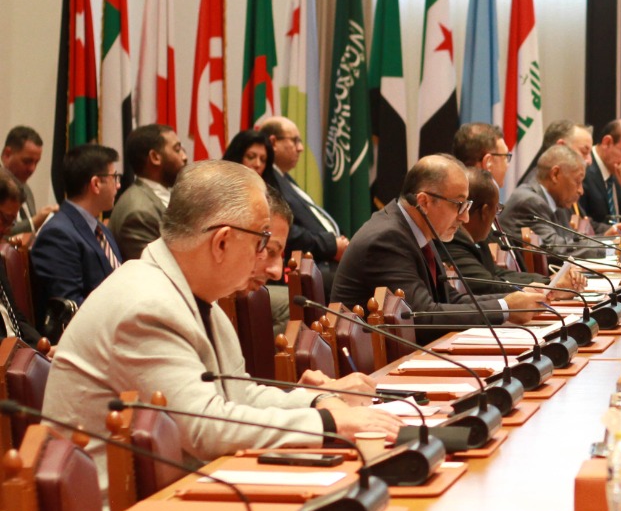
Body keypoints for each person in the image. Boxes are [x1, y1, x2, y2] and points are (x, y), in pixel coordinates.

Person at [41, 160, 400, 481]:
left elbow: (239, 395)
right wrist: (329, 423)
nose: (269, 266)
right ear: (222, 242)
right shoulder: (146, 306)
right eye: (261, 243)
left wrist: (317, 402)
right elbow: (207, 428)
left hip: (179, 488)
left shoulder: (191, 295)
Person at [330, 154, 560, 342]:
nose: (465, 218)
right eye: (459, 205)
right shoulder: (386, 240)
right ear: (424, 202)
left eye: (467, 205)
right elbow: (422, 317)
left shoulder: (417, 229)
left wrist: (516, 298)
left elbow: (449, 299)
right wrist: (505, 308)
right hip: (377, 372)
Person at [443, 167, 583, 295]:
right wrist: (552, 286)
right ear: (485, 212)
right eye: (497, 209)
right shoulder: (454, 240)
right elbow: (487, 285)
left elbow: (497, 274)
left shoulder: (474, 238)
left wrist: (549, 281)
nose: (465, 217)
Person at [31, 143, 122, 309]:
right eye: (114, 177)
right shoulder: (57, 235)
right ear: (96, 184)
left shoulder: (101, 230)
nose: (118, 185)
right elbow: (69, 307)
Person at [257, 116, 348, 274]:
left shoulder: (284, 177)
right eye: (294, 140)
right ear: (273, 142)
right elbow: (287, 231)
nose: (300, 148)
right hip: (309, 264)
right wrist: (330, 245)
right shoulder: (267, 179)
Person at [503, 144, 612, 260]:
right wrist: (610, 250)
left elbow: (574, 240)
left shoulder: (558, 201)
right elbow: (557, 248)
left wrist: (613, 242)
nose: (581, 191)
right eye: (577, 181)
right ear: (555, 174)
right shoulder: (529, 202)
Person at [109, 124, 187, 261]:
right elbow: (156, 268)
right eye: (177, 149)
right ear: (155, 157)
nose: (184, 156)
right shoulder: (139, 213)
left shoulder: (165, 193)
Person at [0, 170, 44, 349]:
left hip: (17, 352)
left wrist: (41, 348)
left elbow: (15, 315)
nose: (6, 230)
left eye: (11, 223)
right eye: (5, 219)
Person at [578, 119, 621, 227]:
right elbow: (581, 222)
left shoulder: (618, 173)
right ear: (607, 143)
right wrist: (612, 231)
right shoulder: (583, 169)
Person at [2, 126, 55, 242]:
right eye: (27, 161)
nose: (32, 169)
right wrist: (33, 222)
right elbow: (3, 232)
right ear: (7, 154)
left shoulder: (26, 190)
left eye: (36, 162)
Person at [452, 122, 511, 190]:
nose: (508, 165)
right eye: (505, 156)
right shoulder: (484, 197)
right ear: (488, 163)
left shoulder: (450, 193)